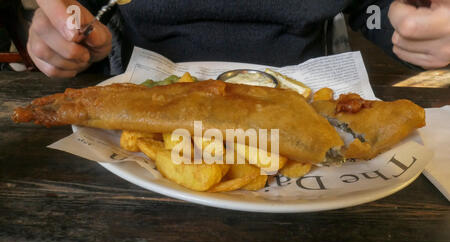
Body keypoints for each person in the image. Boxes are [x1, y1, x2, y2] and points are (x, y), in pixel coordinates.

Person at [27, 0, 450, 78]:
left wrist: (415, 27)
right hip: (138, 127)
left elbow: (368, 7)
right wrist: (68, 35)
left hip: (309, 112)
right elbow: (90, 10)